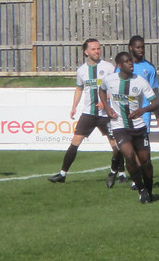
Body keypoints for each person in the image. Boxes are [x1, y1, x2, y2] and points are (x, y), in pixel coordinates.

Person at [48, 38, 122, 185]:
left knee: (116, 145)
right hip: (88, 113)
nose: (97, 51)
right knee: (75, 142)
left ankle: (121, 173)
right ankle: (62, 174)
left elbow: (116, 88)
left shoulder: (108, 67)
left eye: (98, 48)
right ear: (86, 52)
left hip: (105, 113)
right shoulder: (81, 70)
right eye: (93, 49)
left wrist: (105, 100)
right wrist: (74, 106)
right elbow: (79, 88)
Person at [100, 51, 159, 204]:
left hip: (139, 127)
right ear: (119, 65)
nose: (130, 63)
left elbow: (155, 102)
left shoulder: (140, 81)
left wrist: (142, 110)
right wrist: (107, 108)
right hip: (119, 126)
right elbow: (101, 90)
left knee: (146, 162)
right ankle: (141, 190)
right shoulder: (110, 80)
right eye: (126, 62)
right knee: (129, 156)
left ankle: (149, 190)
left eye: (131, 61)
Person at [128, 35, 159, 128]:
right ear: (131, 47)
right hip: (126, 112)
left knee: (143, 141)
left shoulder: (149, 67)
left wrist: (158, 116)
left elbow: (155, 92)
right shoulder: (122, 66)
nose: (141, 50)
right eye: (138, 47)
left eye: (142, 47)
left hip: (144, 113)